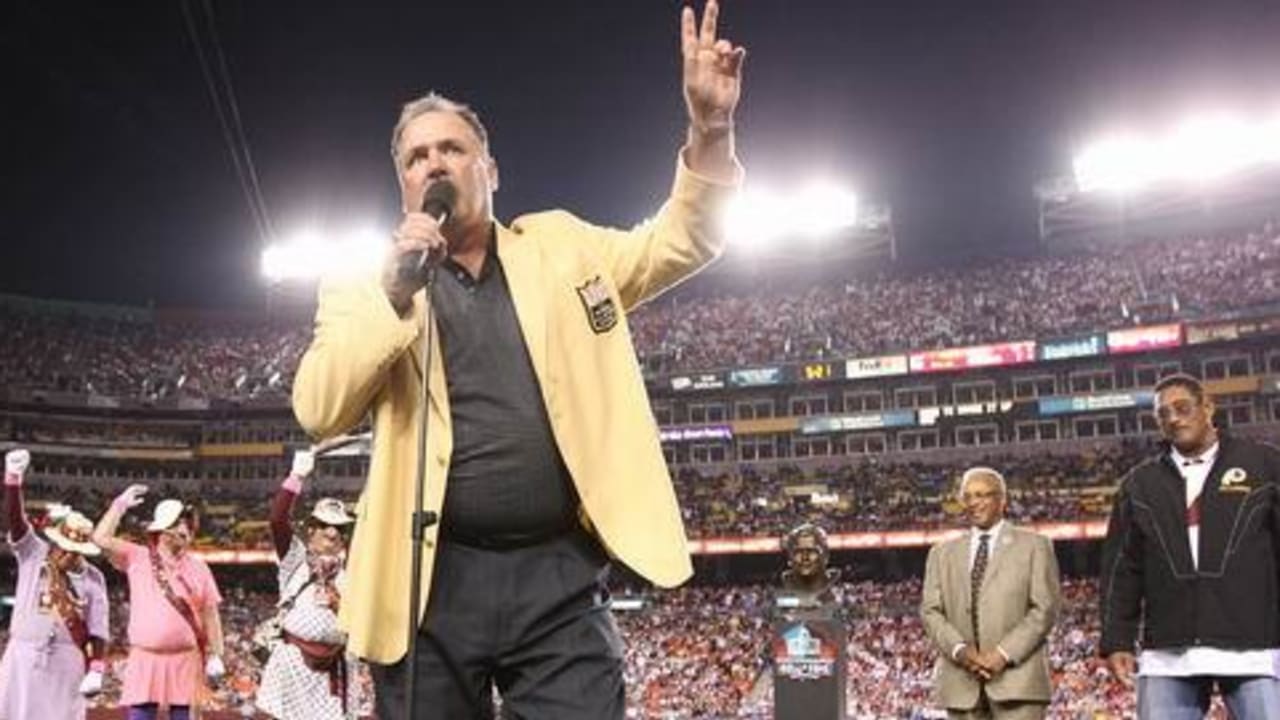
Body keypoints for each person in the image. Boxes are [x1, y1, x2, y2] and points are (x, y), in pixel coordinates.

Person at [290, 0, 744, 716]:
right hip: (427, 581)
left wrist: (710, 128)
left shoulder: (562, 248)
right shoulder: (364, 285)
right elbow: (318, 409)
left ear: (490, 170)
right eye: (416, 157)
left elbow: (681, 242)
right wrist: (395, 293)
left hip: (557, 575)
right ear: (403, 185)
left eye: (452, 149)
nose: (434, 162)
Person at [1100, 373, 1280, 718]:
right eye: (1163, 414)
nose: (1173, 418)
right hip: (1168, 650)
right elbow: (1122, 569)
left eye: (1182, 408)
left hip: (1253, 644)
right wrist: (1116, 640)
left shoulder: (1264, 465)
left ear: (1208, 407)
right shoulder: (1139, 484)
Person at [921, 466, 1061, 720]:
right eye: (969, 496)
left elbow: (1045, 609)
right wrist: (960, 650)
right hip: (962, 685)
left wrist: (1002, 654)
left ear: (1002, 500)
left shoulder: (1034, 546)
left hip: (1018, 683)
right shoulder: (941, 553)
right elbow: (930, 611)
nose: (975, 502)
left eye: (983, 495)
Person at [91, 485, 227, 720]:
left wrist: (216, 654)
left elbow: (210, 614)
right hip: (145, 657)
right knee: (140, 716)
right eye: (179, 525)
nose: (186, 531)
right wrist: (119, 505)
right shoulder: (138, 556)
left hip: (185, 658)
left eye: (187, 526)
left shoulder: (199, 567)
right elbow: (100, 538)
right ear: (163, 531)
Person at [0, 449, 110, 720]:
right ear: (54, 542)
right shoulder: (33, 553)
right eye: (63, 547)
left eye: (75, 550)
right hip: (23, 656)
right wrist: (13, 480)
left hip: (67, 661)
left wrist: (96, 668)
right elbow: (16, 523)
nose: (67, 554)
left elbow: (99, 631)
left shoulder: (94, 579)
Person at [256, 449, 360, 720]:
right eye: (326, 525)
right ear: (311, 529)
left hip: (336, 668)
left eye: (340, 527)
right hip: (293, 662)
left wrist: (338, 604)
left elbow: (359, 622)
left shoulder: (353, 570)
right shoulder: (295, 559)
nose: (333, 532)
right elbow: (277, 520)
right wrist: (296, 477)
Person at [779, 523, 839, 606]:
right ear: (790, 559)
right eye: (798, 552)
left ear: (825, 556)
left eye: (811, 551)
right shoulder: (786, 581)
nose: (805, 558)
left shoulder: (833, 580)